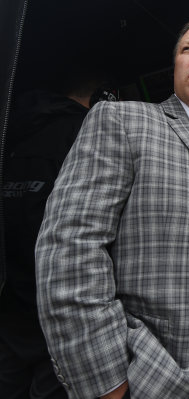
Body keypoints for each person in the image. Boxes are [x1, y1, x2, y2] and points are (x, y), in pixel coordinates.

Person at [35, 15, 189, 399]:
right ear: (176, 68)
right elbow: (69, 250)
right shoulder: (123, 121)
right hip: (160, 378)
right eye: (188, 49)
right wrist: (107, 383)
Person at [0, 79, 104, 399]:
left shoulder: (15, 127)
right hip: (60, 315)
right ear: (98, 96)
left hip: (10, 306)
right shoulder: (87, 133)